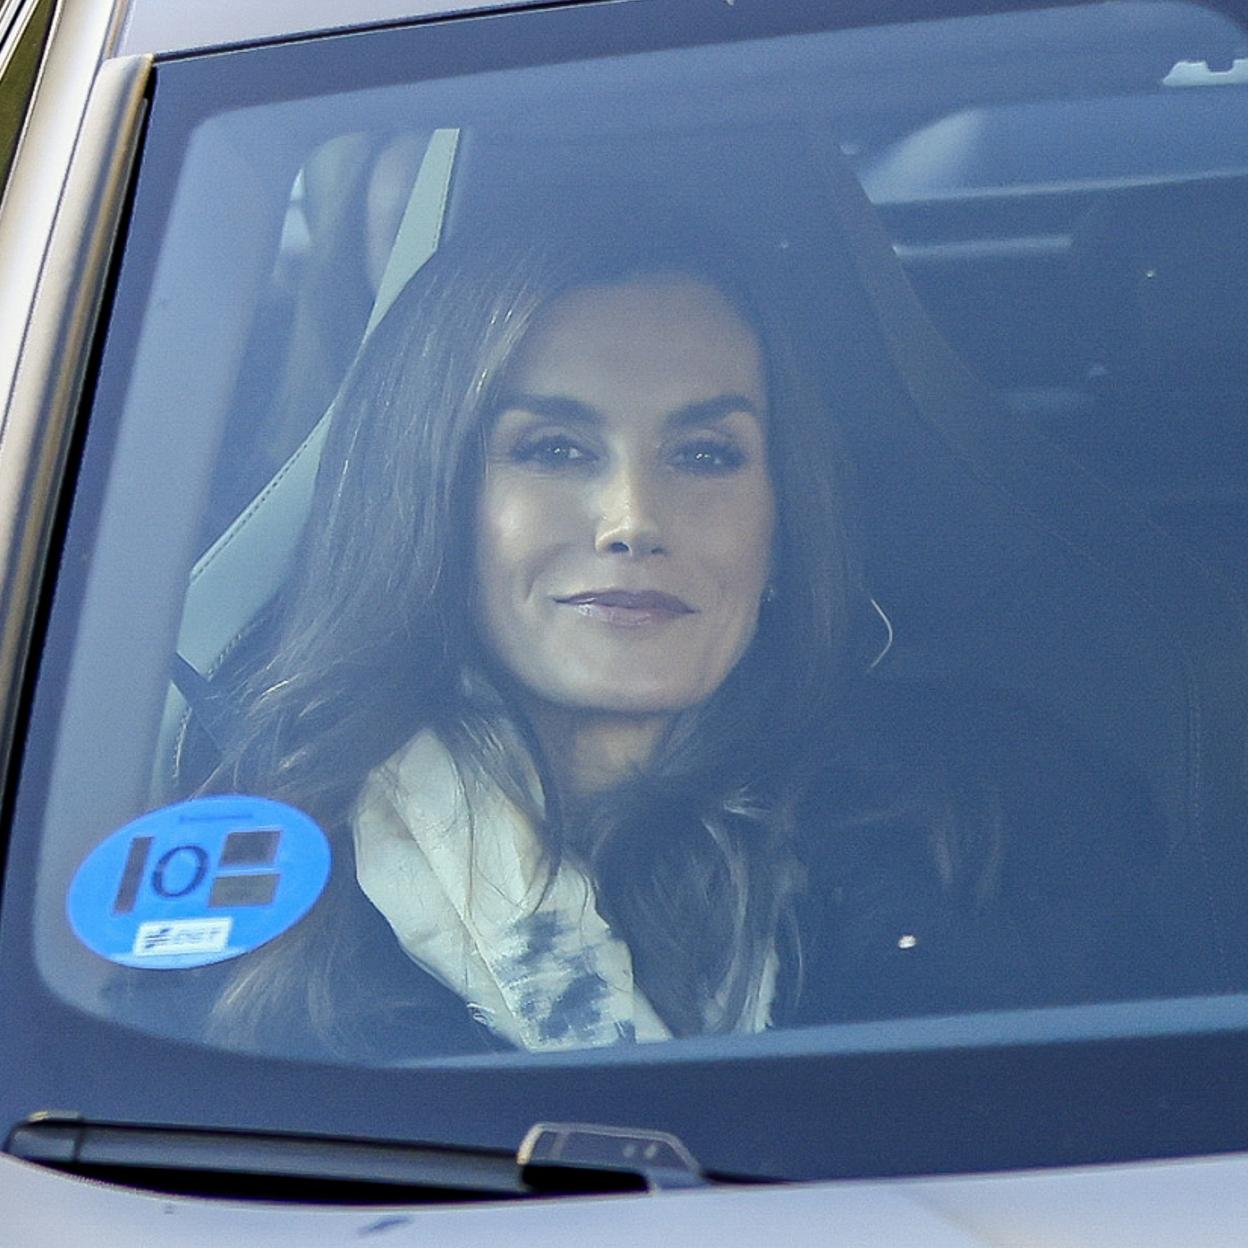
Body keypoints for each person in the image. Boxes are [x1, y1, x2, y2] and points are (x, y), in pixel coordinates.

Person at [181, 215, 1167, 1061]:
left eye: (704, 454)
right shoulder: (257, 878)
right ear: (428, 502)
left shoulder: (998, 816)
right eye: (555, 450)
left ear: (783, 521)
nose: (631, 519)